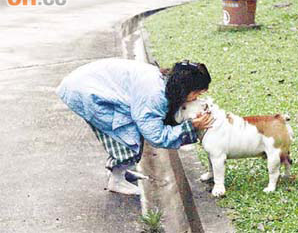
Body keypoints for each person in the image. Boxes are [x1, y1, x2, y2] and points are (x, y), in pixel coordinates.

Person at [56, 58, 213, 195]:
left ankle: (121, 171)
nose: (196, 98)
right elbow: (156, 137)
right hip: (87, 92)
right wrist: (190, 127)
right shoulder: (154, 95)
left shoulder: (165, 82)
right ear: (184, 89)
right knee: (127, 136)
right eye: (196, 94)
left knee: (135, 130)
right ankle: (116, 180)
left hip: (90, 82)